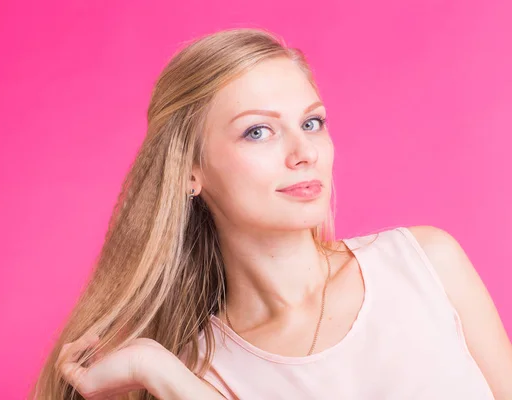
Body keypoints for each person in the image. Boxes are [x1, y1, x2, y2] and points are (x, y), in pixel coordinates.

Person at [30, 27, 512, 400]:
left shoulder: (425, 263)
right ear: (189, 171)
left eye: (312, 122)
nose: (305, 151)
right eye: (258, 132)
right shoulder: (199, 370)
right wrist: (162, 374)